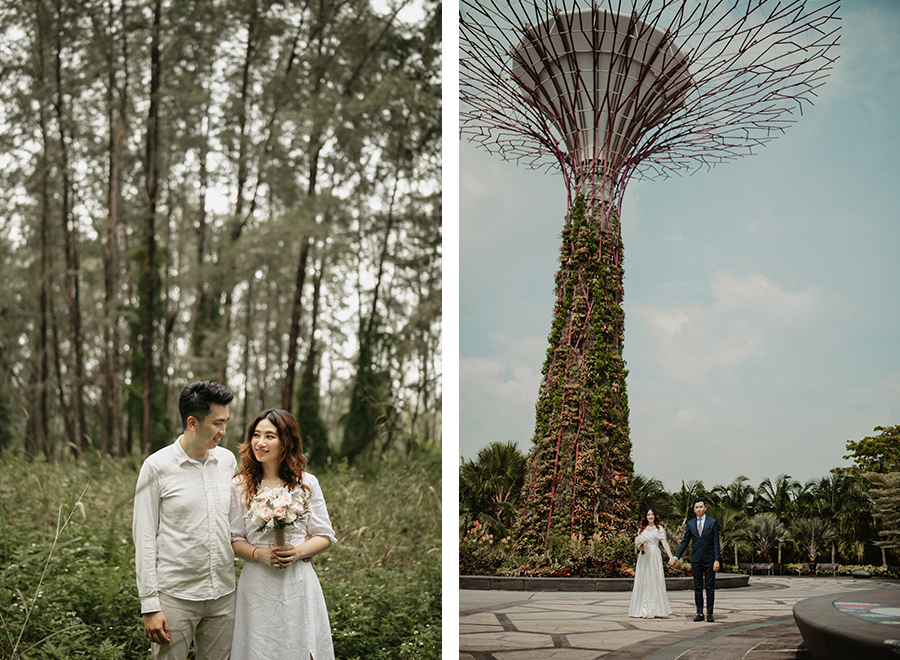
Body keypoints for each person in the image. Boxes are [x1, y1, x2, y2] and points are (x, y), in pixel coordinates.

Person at [133, 380, 237, 659]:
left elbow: (239, 524)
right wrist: (150, 605)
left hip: (224, 596)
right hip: (175, 600)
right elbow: (144, 538)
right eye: (217, 424)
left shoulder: (228, 462)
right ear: (192, 422)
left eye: (225, 422)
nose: (223, 431)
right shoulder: (156, 467)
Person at [229, 409, 336, 660]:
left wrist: (298, 551)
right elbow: (235, 539)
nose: (260, 442)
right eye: (256, 435)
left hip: (298, 583)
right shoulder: (239, 485)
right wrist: (260, 554)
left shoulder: (306, 483)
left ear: (286, 441)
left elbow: (324, 535)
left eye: (270, 436)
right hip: (257, 584)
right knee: (258, 648)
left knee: (300, 645)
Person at [669, 497, 721, 622]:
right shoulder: (691, 523)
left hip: (709, 559)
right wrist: (676, 557)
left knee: (710, 587)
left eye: (701, 507)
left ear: (705, 508)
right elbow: (685, 542)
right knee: (697, 587)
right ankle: (699, 613)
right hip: (696, 559)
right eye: (696, 507)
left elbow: (715, 543)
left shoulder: (712, 522)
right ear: (694, 509)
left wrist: (716, 559)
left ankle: (709, 613)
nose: (699, 509)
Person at [628, 507, 676, 618]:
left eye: (652, 514)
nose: (650, 516)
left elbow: (664, 543)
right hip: (644, 557)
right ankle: (644, 610)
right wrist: (640, 546)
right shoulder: (642, 529)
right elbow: (639, 546)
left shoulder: (659, 528)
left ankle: (654, 610)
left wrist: (671, 557)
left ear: (655, 516)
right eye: (648, 514)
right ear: (645, 516)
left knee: (654, 580)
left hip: (654, 555)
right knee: (644, 581)